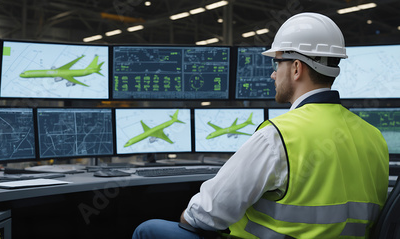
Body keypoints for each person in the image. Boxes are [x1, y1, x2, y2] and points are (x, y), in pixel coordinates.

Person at [132, 12, 389, 239]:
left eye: (277, 63)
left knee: (149, 229)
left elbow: (208, 214)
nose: (273, 74)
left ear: (297, 68)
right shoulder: (374, 137)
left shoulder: (279, 136)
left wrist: (188, 217)